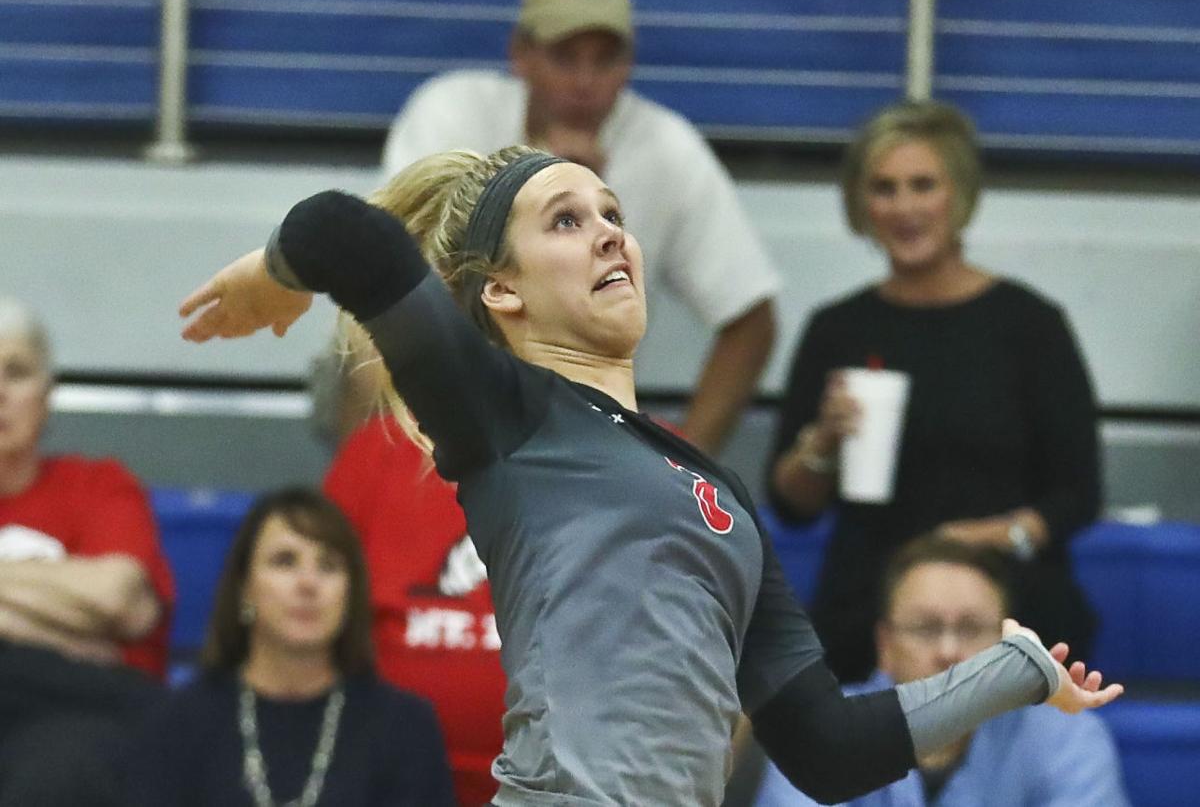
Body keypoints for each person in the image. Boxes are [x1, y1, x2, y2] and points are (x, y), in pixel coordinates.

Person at [177, 143, 1121, 807]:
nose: (608, 234)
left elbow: (827, 749)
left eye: (614, 217)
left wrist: (1017, 672)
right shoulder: (507, 413)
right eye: (566, 220)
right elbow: (348, 235)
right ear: (502, 291)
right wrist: (273, 276)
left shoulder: (724, 499)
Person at [373, 0, 779, 454]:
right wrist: (543, 187)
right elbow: (396, 282)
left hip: (584, 412)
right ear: (520, 55)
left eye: (605, 60)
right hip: (431, 397)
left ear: (629, 65)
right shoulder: (452, 114)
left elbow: (750, 318)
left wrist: (684, 467)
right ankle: (370, 480)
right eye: (565, 58)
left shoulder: (666, 149)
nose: (585, 81)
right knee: (363, 327)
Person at [767, 100, 1102, 684]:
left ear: (960, 195)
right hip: (869, 605)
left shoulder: (1030, 325)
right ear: (860, 204)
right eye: (884, 188)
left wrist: (984, 539)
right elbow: (791, 507)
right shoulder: (837, 329)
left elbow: (1079, 494)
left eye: (923, 185)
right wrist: (822, 441)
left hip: (1009, 598)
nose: (904, 208)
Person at [124, 485, 456, 806]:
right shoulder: (176, 725)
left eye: (328, 565)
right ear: (244, 589)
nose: (308, 583)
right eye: (285, 561)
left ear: (350, 595)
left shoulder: (405, 729)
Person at [754, 535, 1130, 807]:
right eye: (926, 628)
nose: (948, 652)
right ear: (885, 645)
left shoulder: (1065, 736)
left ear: (1008, 645)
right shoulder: (818, 728)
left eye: (971, 628)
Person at [0, 297, 172, 807]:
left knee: (66, 768)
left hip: (86, 712)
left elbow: (117, 600)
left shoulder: (99, 486)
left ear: (47, 393)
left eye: (16, 372)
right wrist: (64, 629)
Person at [325, 411, 504, 807]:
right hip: (387, 780)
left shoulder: (602, 451)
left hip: (566, 783)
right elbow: (314, 614)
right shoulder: (377, 448)